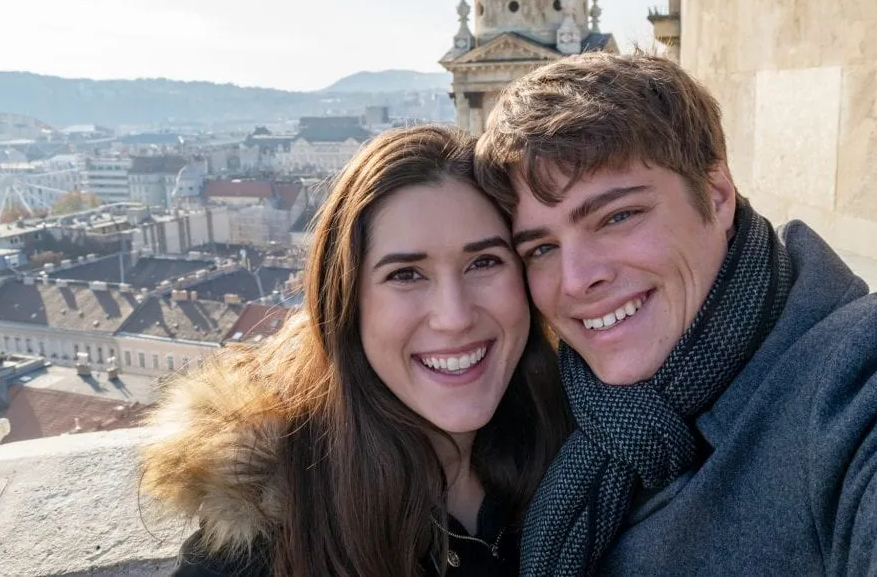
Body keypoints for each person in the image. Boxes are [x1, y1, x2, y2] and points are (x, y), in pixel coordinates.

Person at [474, 52, 877, 576]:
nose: (576, 279)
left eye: (617, 216)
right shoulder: (552, 401)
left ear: (716, 196)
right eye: (541, 248)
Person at [140, 125, 570, 577]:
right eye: (406, 274)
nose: (455, 316)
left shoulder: (582, 443)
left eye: (484, 262)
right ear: (346, 303)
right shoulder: (268, 536)